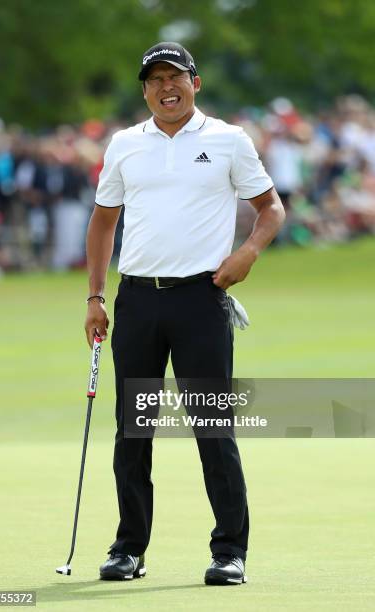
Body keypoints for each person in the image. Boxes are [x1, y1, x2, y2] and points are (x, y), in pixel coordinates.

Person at [84, 42, 285, 586]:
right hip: (139, 299)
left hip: (201, 299)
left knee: (213, 427)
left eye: (175, 76)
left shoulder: (227, 140)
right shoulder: (126, 144)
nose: (165, 87)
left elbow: (271, 208)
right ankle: (129, 548)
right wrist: (96, 297)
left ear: (195, 82)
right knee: (134, 430)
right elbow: (104, 222)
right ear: (144, 90)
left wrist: (247, 253)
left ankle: (229, 551)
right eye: (154, 79)